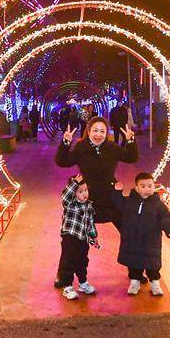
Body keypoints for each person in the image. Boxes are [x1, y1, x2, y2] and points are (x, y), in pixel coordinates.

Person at [53, 116, 138, 287]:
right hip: (87, 201)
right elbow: (62, 161)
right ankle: (64, 276)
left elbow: (131, 157)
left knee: (130, 233)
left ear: (107, 133)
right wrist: (65, 142)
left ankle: (135, 272)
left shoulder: (112, 147)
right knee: (73, 240)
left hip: (111, 198)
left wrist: (130, 141)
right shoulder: (81, 147)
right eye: (95, 131)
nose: (98, 135)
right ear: (88, 131)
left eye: (102, 131)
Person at [111, 171, 170, 296]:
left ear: (154, 186)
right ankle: (135, 282)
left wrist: (169, 230)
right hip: (132, 239)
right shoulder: (129, 201)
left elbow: (165, 218)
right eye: (143, 186)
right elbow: (119, 205)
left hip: (151, 240)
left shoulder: (158, 204)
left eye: (150, 186)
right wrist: (117, 192)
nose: (147, 189)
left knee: (152, 264)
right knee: (134, 263)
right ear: (136, 188)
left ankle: (155, 283)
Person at [57, 176, 99, 300]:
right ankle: (67, 286)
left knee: (83, 261)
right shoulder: (70, 204)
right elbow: (65, 196)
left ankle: (82, 282)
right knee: (68, 261)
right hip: (70, 238)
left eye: (85, 190)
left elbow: (90, 223)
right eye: (80, 191)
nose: (84, 193)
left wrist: (93, 236)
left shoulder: (89, 206)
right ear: (73, 193)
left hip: (83, 239)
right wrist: (74, 183)